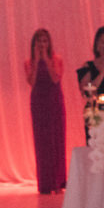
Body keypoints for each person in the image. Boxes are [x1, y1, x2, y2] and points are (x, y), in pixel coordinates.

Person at [26, 28, 68, 194]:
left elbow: (55, 78)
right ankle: (45, 183)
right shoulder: (29, 61)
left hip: (54, 100)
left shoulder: (57, 59)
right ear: (34, 44)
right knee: (42, 141)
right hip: (38, 101)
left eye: (45, 41)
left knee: (56, 139)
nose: (42, 44)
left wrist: (46, 60)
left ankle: (58, 181)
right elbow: (31, 81)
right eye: (39, 41)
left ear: (49, 43)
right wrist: (37, 61)